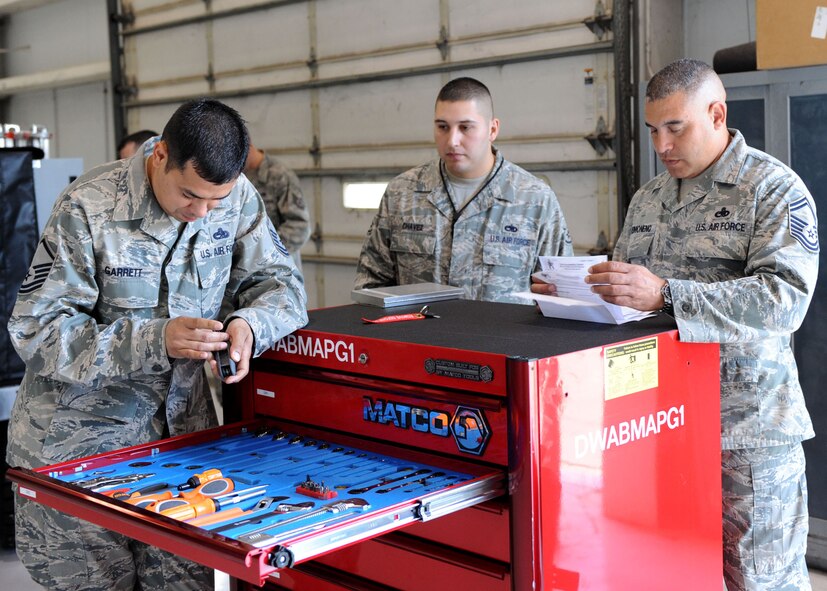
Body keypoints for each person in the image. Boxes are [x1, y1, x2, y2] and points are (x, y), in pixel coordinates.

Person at [534, 59, 818, 590]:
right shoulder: (650, 197)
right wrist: (582, 288)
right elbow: (631, 300)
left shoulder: (771, 189)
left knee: (758, 580)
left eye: (675, 128)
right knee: (670, 571)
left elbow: (785, 299)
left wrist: (667, 295)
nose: (662, 145)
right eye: (653, 131)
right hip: (659, 428)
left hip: (745, 437)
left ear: (716, 114)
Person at [7, 98, 308, 590]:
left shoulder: (233, 196)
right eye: (191, 196)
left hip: (181, 449)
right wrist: (154, 339)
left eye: (216, 201)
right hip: (77, 453)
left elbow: (282, 284)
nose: (202, 213)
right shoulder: (88, 206)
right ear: (161, 155)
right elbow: (37, 330)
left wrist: (249, 325)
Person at [354, 76, 572, 303]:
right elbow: (370, 286)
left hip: (500, 338)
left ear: (492, 129)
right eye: (443, 127)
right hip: (417, 337)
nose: (452, 141)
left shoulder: (534, 199)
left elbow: (560, 296)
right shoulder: (402, 194)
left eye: (465, 127)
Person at [244, 141, 311, 269]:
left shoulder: (279, 175)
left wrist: (263, 252)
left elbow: (300, 227)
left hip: (279, 270)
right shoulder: (236, 178)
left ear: (248, 146)